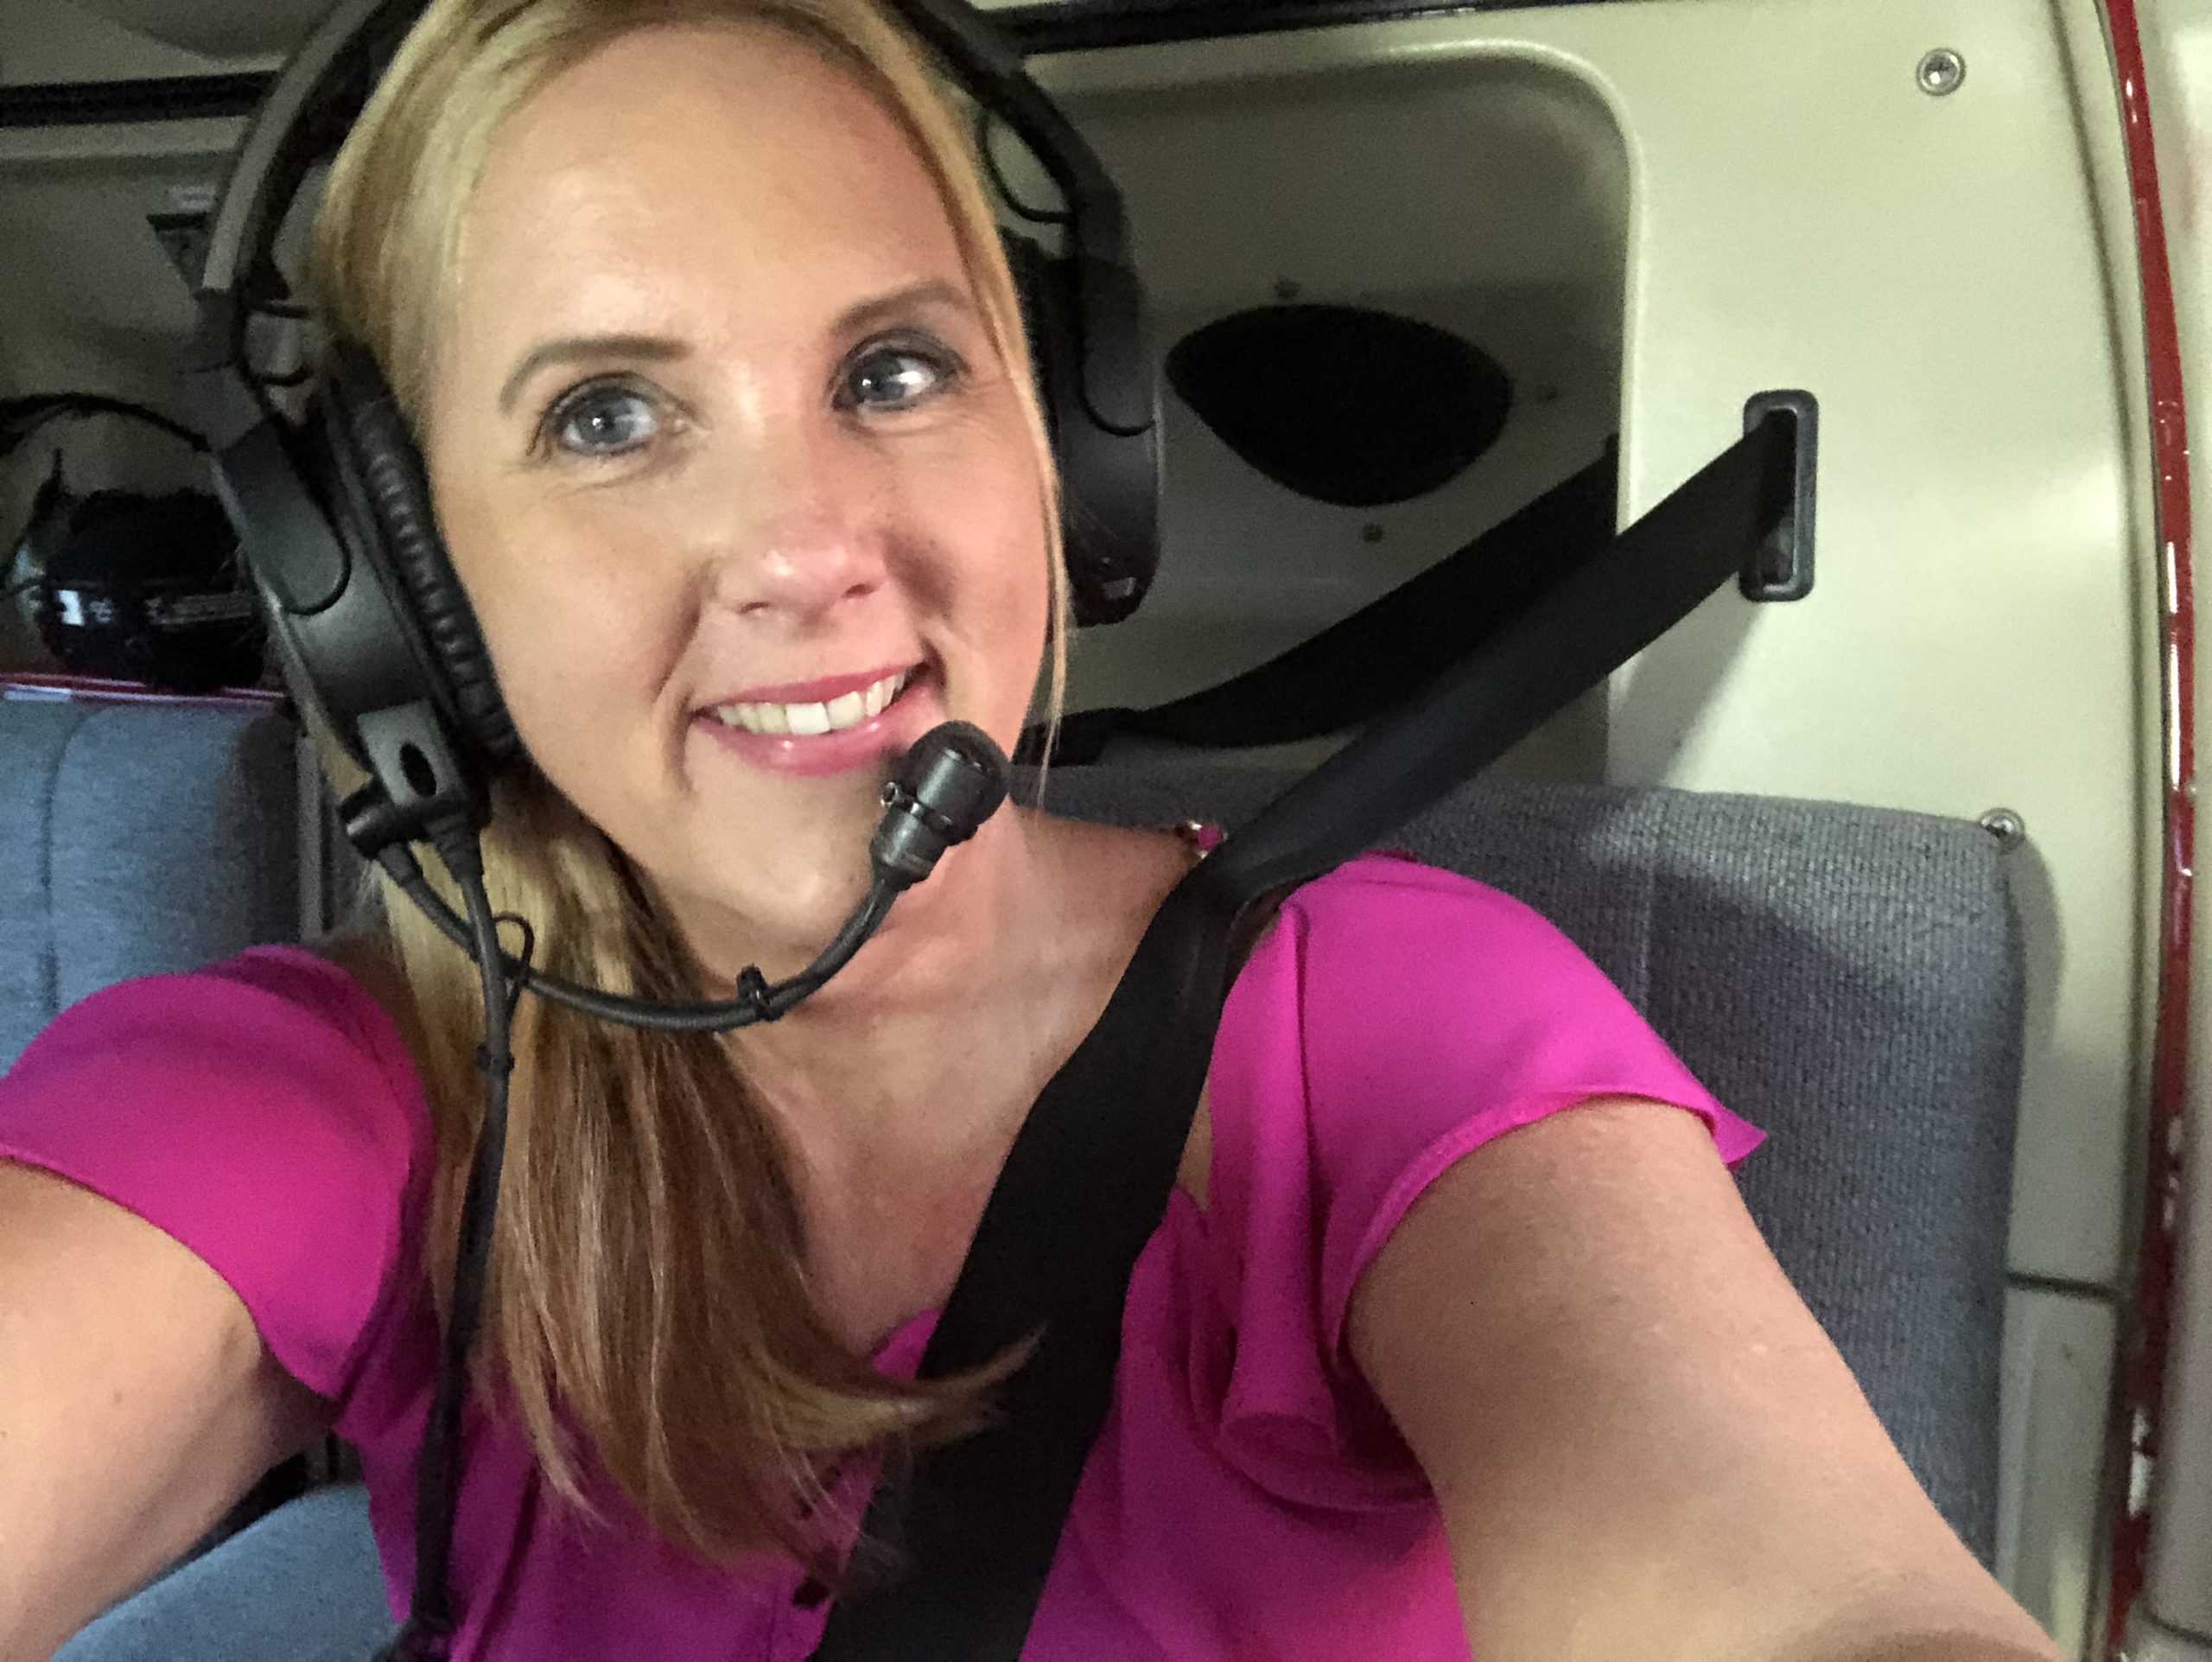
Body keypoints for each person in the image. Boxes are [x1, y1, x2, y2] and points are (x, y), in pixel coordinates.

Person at [0, 3, 2062, 1659]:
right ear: (394, 576)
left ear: (1069, 455)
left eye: (894, 367)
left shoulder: (1393, 1031)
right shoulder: (337, 1085)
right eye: (606, 415)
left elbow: (1802, 1593)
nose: (806, 545)